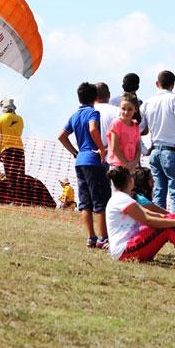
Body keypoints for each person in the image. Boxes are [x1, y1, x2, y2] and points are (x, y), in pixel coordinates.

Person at [105, 166, 175, 271]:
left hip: (127, 250)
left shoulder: (122, 198)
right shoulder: (122, 199)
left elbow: (148, 213)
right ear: (130, 180)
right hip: (125, 252)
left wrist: (173, 219)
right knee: (170, 225)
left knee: (171, 220)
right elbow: (148, 220)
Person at [58, 82, 110, 249]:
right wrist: (101, 149)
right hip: (93, 161)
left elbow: (61, 136)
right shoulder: (93, 112)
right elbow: (93, 129)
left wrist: (75, 152)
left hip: (80, 161)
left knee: (85, 202)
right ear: (95, 97)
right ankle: (104, 238)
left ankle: (91, 238)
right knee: (100, 200)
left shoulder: (74, 115)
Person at [139, 70, 175, 217]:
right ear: (173, 85)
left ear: (157, 83)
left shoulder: (148, 103)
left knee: (158, 193)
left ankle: (158, 228)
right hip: (172, 152)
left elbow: (136, 129)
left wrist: (144, 150)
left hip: (155, 151)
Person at [0, 98, 26, 201]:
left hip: (7, 150)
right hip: (20, 149)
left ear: (4, 108)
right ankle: (22, 199)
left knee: (10, 176)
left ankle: (14, 199)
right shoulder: (20, 119)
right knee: (20, 175)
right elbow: (19, 133)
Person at [106, 92, 141, 172]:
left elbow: (138, 148)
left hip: (132, 166)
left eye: (130, 109)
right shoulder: (116, 123)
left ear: (135, 109)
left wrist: (134, 163)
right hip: (118, 166)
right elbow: (114, 147)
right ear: (119, 108)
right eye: (123, 109)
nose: (126, 112)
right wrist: (126, 164)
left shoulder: (135, 125)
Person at [93, 82, 120, 153]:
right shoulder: (118, 111)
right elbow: (122, 136)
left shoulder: (85, 112)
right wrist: (105, 150)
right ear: (109, 94)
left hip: (88, 157)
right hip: (112, 158)